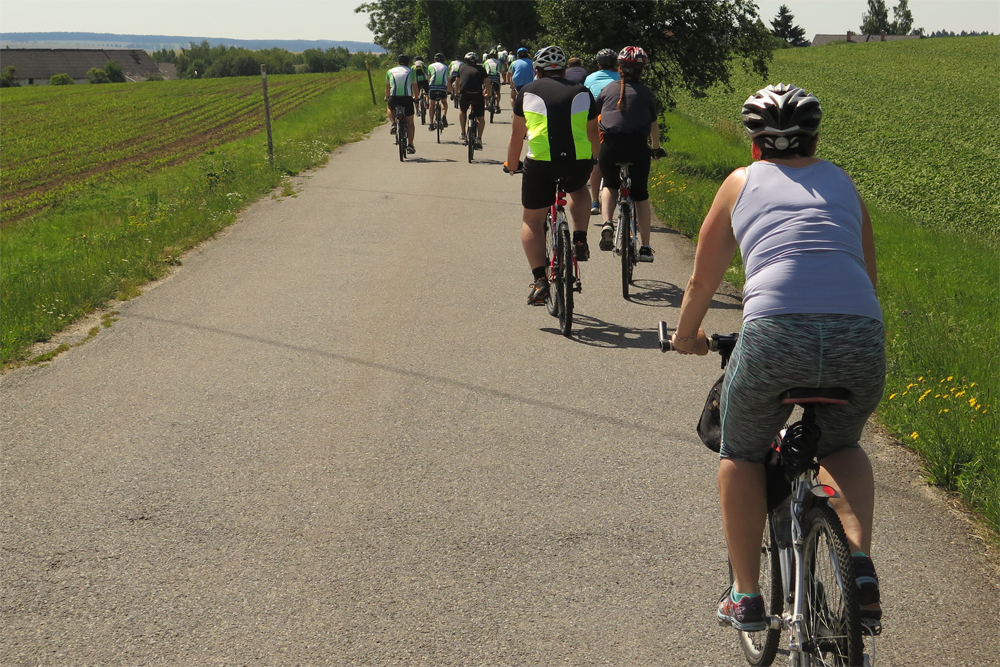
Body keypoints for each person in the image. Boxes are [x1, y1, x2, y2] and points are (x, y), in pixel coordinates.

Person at [670, 84, 884, 632]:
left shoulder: (740, 183)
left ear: (754, 143)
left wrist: (687, 336)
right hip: (859, 334)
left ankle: (745, 596)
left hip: (774, 337)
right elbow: (867, 274)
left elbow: (701, 278)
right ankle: (858, 562)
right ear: (814, 137)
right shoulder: (842, 182)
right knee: (842, 443)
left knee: (740, 453)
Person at [505, 45, 601, 305]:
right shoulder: (583, 92)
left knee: (532, 220)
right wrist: (593, 158)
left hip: (541, 164)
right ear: (564, 70)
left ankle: (540, 281)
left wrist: (511, 164)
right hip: (577, 161)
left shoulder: (525, 92)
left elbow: (517, 135)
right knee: (579, 190)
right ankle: (579, 238)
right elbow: (593, 133)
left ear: (537, 71)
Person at [595, 46, 664, 262]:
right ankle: (645, 247)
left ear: (619, 68)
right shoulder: (646, 92)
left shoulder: (607, 90)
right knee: (641, 195)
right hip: (637, 147)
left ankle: (607, 222)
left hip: (610, 147)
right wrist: (655, 148)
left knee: (610, 184)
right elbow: (653, 124)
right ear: (642, 70)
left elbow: (596, 116)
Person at [584, 48, 621, 214]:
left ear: (598, 64)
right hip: (620, 122)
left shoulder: (590, 78)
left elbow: (586, 101)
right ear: (615, 64)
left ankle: (594, 201)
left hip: (598, 122)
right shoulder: (621, 78)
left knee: (597, 160)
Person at [385, 54, 418, 154]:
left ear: (397, 62)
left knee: (390, 107)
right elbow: (415, 86)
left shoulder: (390, 71)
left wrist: (387, 97)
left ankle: (393, 123)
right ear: (408, 63)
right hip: (407, 98)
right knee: (410, 123)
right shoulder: (411, 71)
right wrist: (416, 97)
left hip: (394, 97)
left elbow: (387, 87)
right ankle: (410, 145)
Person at [457, 52, 490, 150]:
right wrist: (489, 93)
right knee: (480, 118)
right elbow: (487, 83)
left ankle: (463, 132)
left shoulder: (461, 68)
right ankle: (479, 138)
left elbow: (457, 82)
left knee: (462, 111)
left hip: (465, 94)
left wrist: (457, 93)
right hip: (477, 95)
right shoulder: (481, 69)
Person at [427, 53, 451, 130]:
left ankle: (431, 123)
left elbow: (429, 77)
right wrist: (449, 90)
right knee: (444, 102)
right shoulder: (446, 67)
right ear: (444, 60)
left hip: (433, 88)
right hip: (442, 88)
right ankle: (444, 116)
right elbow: (448, 79)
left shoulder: (430, 66)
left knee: (432, 104)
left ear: (434, 60)